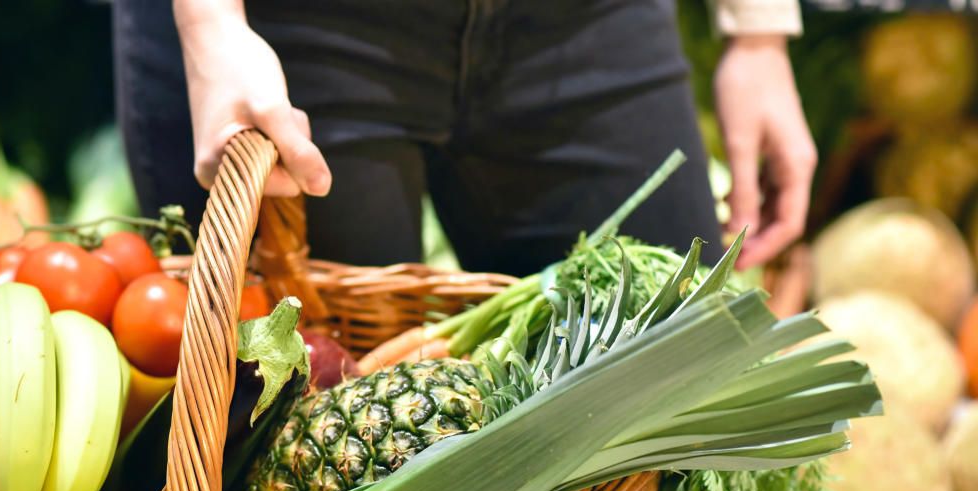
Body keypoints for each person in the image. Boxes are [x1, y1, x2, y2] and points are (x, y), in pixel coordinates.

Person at [112, 0, 815, 274]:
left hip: (589, 21)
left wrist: (758, 33)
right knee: (292, 461)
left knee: (678, 423)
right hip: (295, 24)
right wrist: (209, 24)